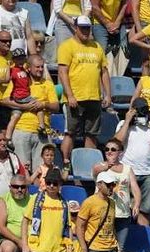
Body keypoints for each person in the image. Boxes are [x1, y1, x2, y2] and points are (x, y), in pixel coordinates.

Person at [58, 17, 110, 165]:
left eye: (88, 27)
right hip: (75, 98)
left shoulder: (97, 47)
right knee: (70, 133)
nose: (86, 31)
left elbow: (104, 72)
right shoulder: (67, 46)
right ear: (75, 28)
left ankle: (88, 167)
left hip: (94, 97)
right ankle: (66, 164)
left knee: (92, 134)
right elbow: (63, 72)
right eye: (82, 28)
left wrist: (107, 94)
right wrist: (70, 95)